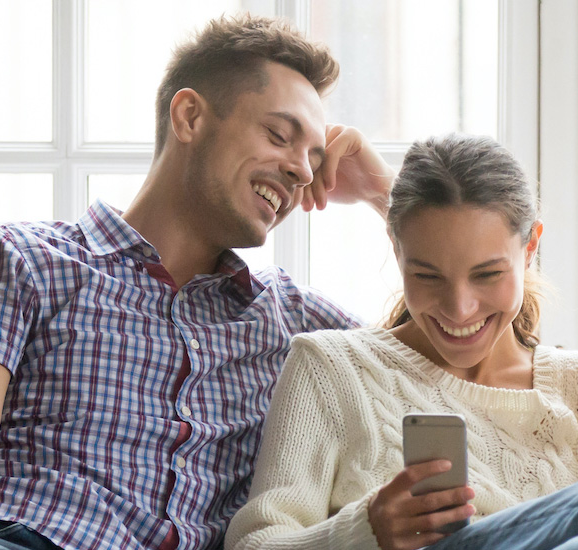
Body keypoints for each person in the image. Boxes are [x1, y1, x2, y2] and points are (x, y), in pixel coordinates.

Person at [0, 15, 395, 550]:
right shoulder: (26, 262)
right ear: (189, 117)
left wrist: (383, 194)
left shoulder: (290, 319)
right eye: (280, 135)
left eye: (314, 160)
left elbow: (462, 346)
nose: (303, 172)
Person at [224, 133, 578, 550]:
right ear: (396, 253)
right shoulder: (334, 367)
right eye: (427, 275)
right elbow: (254, 542)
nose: (460, 309)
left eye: (487, 275)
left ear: (530, 247)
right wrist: (364, 531)